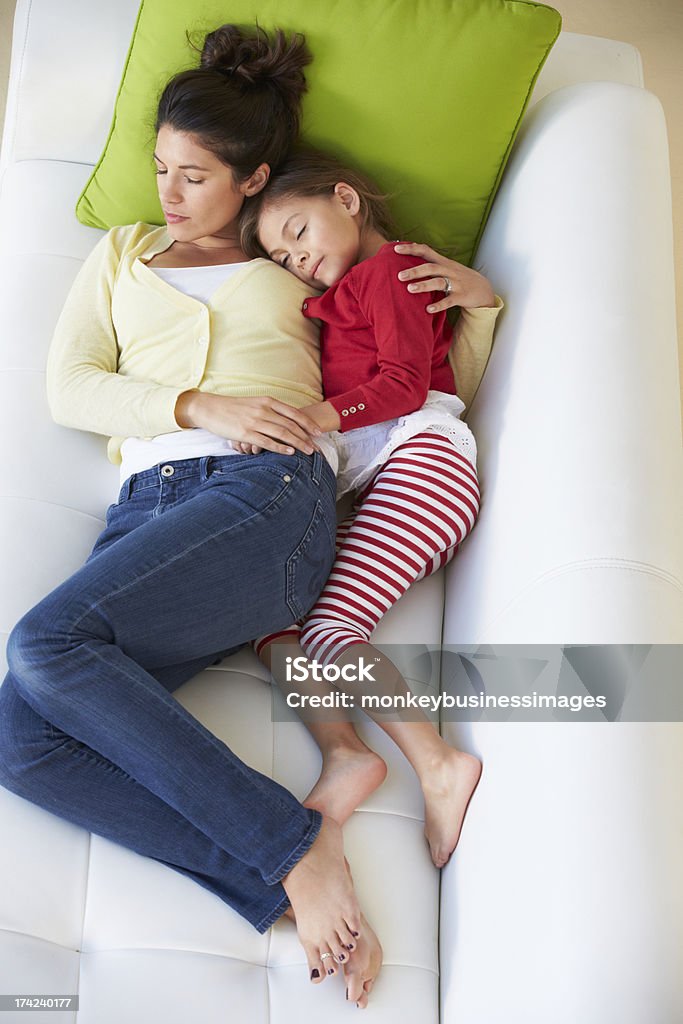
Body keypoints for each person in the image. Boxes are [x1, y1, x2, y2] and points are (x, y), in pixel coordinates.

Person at [0, 25, 380, 1007]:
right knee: (18, 735)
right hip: (146, 518)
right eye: (162, 167)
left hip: (268, 499)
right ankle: (278, 875)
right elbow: (69, 385)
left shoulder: (293, 264)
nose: (168, 193)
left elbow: (407, 368)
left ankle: (288, 844)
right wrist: (194, 405)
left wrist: (470, 304)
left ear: (255, 179)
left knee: (42, 644)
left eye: (196, 176)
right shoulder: (122, 252)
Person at [239, 149, 504, 868]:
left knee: (328, 631)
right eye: (281, 257)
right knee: (273, 621)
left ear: (347, 201)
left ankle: (437, 764)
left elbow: (400, 386)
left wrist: (314, 417)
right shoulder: (352, 288)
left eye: (299, 232)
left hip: (425, 462)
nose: (296, 258)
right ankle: (346, 754)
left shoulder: (387, 272)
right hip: (388, 476)